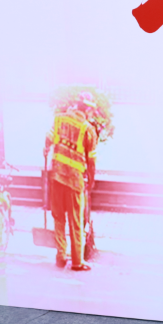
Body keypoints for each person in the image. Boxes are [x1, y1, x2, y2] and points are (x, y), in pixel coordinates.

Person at [42, 93, 99, 272]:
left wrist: (46, 151)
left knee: (58, 218)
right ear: (87, 109)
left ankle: (60, 256)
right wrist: (91, 180)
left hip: (57, 177)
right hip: (74, 181)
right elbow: (91, 161)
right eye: (92, 111)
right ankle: (76, 262)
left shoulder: (59, 120)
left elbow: (48, 139)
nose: (92, 114)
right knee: (76, 221)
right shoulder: (88, 130)